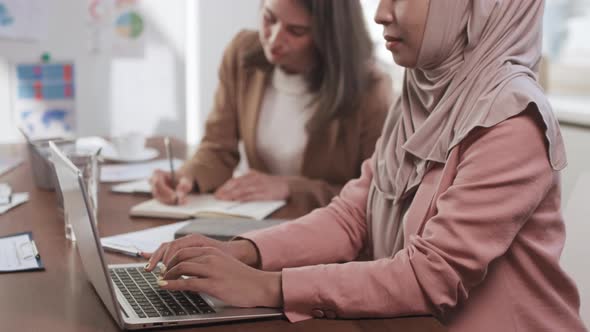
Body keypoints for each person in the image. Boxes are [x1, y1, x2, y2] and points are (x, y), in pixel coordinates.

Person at [144, 0, 587, 331]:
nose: (380, 13)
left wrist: (267, 285)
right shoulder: (422, 93)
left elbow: (428, 277)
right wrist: (240, 251)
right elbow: (352, 215)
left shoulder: (513, 120)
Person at [150, 0, 392, 215]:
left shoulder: (370, 89)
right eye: (269, 18)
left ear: (328, 36)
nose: (274, 39)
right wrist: (187, 177)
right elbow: (217, 149)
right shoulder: (241, 54)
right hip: (253, 224)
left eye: (296, 31)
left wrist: (288, 188)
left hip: (326, 238)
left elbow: (373, 195)